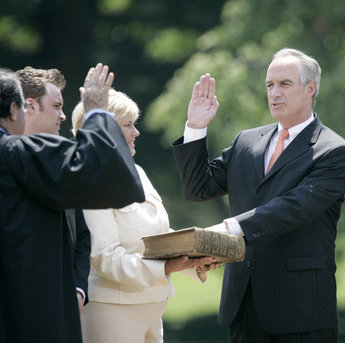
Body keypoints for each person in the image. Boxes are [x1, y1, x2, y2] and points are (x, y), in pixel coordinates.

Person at [172, 48, 345, 342]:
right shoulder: (246, 141)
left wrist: (230, 227)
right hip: (243, 306)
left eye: (285, 84)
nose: (274, 92)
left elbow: (294, 207)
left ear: (310, 89)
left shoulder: (334, 151)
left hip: (300, 311)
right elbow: (198, 188)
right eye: (270, 85)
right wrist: (195, 127)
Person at [0, 64, 145, 343]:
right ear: (15, 109)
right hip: (29, 316)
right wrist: (96, 113)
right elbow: (111, 181)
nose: (63, 115)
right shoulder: (15, 154)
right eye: (56, 105)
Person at [71, 88, 218, 343]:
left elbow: (157, 237)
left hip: (153, 307)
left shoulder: (136, 172)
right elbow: (106, 258)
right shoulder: (90, 179)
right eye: (128, 125)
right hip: (112, 313)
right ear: (104, 131)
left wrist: (196, 256)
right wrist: (168, 266)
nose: (136, 132)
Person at [16, 66, 91, 314]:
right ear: (30, 106)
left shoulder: (64, 164)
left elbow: (81, 236)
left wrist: (78, 290)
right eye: (57, 106)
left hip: (63, 313)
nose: (63, 116)